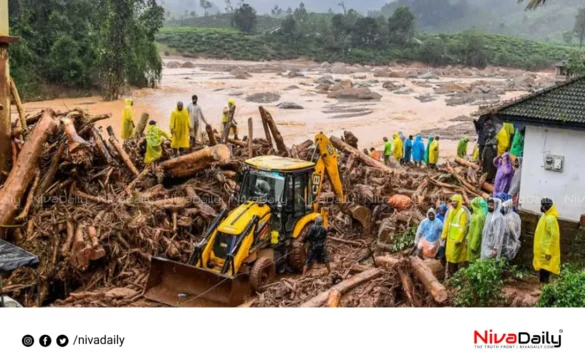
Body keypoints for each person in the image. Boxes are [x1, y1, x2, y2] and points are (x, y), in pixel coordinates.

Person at [441, 195, 469, 277]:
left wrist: (458, 239)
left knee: (455, 257)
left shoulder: (462, 212)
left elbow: (462, 227)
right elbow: (447, 224)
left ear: (459, 202)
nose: (453, 203)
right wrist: (444, 235)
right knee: (449, 256)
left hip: (456, 240)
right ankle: (450, 274)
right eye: (452, 201)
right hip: (450, 239)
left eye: (455, 201)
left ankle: (455, 274)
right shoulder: (450, 211)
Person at [533, 198, 560, 284]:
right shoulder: (545, 216)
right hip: (542, 249)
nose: (541, 207)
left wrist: (549, 251)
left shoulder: (550, 219)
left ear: (545, 207)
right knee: (542, 268)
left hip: (546, 250)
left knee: (545, 269)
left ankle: (544, 288)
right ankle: (542, 287)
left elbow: (554, 236)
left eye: (542, 206)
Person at [467, 197, 487, 263]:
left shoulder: (480, 216)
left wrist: (473, 245)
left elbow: (478, 232)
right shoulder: (474, 214)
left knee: (474, 262)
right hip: (471, 240)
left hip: (475, 244)